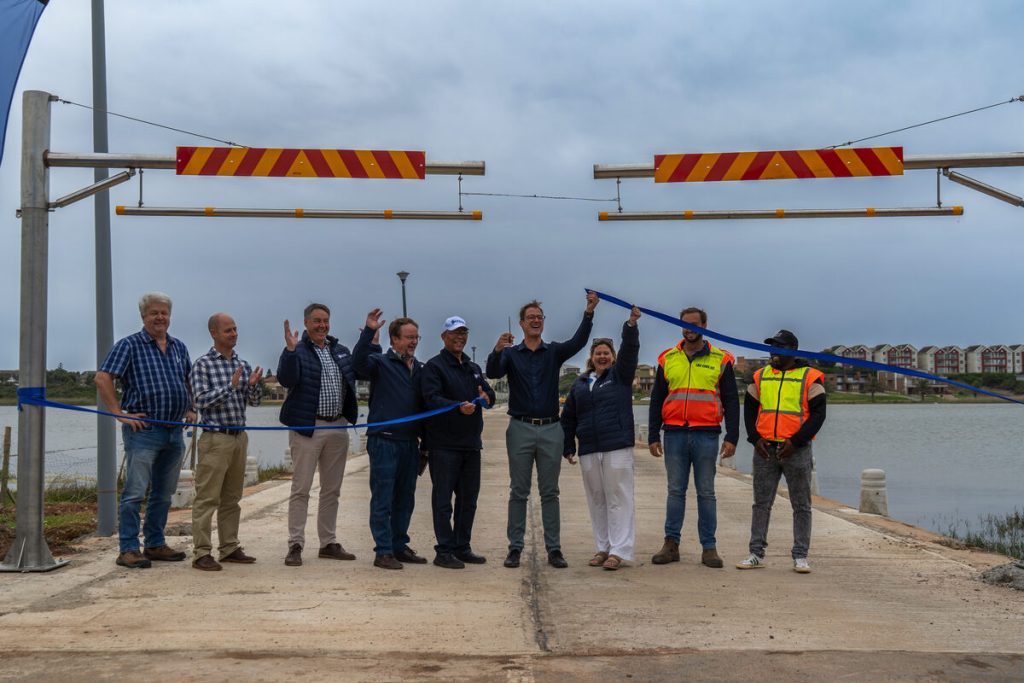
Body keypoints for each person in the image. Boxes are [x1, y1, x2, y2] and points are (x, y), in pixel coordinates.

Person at [487, 291, 598, 569]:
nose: (535, 321)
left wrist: (589, 313)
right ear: (522, 323)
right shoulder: (512, 354)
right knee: (518, 491)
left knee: (550, 492)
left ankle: (554, 549)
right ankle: (514, 548)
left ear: (543, 322)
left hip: (551, 428)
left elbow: (579, 341)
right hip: (520, 428)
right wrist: (498, 349)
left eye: (539, 317)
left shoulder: (554, 352)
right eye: (530, 318)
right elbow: (493, 372)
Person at [95, 292, 194, 569]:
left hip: (174, 431)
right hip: (145, 430)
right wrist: (118, 413)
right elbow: (102, 378)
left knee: (163, 493)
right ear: (143, 316)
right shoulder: (129, 345)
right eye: (154, 313)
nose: (160, 317)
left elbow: (187, 380)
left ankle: (154, 543)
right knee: (135, 492)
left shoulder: (178, 347)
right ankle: (128, 548)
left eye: (164, 313)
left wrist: (190, 407)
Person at [277, 303, 378, 567]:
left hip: (338, 426)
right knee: (301, 489)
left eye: (326, 321)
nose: (322, 325)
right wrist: (289, 350)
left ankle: (328, 542)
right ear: (307, 323)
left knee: (332, 490)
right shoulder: (296, 350)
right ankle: (296, 544)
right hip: (308, 428)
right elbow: (286, 379)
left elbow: (361, 366)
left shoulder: (340, 351)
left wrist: (368, 335)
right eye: (316, 321)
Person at [648, 306, 739, 569]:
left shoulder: (721, 360)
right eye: (685, 325)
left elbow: (731, 401)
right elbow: (657, 400)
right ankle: (671, 544)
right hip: (674, 434)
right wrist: (653, 434)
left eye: (694, 325)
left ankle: (709, 548)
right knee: (675, 491)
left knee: (706, 493)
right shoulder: (668, 359)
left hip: (706, 435)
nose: (689, 329)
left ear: (704, 326)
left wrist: (732, 436)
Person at [737, 329, 826, 574]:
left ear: (793, 350)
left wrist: (796, 441)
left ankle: (800, 555)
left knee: (801, 505)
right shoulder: (760, 376)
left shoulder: (810, 377)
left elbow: (819, 415)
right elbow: (750, 410)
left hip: (796, 450)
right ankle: (756, 553)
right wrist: (754, 439)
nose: (773, 352)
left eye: (779, 347)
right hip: (765, 449)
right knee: (761, 504)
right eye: (772, 346)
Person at [561, 305, 641, 570]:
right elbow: (569, 416)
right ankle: (602, 547)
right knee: (597, 498)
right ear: (592, 357)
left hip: (616, 445)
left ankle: (619, 550)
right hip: (589, 448)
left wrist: (630, 326)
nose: (602, 357)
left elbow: (630, 353)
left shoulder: (620, 376)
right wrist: (568, 445)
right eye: (598, 353)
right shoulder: (580, 384)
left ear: (613, 357)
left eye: (606, 353)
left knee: (618, 497)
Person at [353, 309, 429, 570]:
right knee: (383, 498)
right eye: (408, 337)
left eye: (416, 337)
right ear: (394, 339)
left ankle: (399, 545)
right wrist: (368, 332)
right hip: (384, 440)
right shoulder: (380, 363)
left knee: (405, 498)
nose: (413, 342)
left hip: (410, 442)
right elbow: (358, 364)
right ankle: (383, 551)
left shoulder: (420, 369)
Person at [190, 313, 263, 571]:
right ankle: (201, 552)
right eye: (228, 330)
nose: (233, 334)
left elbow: (253, 402)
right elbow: (200, 400)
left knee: (232, 498)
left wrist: (253, 386)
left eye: (235, 329)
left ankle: (229, 547)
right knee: (207, 498)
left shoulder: (241, 363)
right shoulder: (203, 365)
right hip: (215, 438)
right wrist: (230, 388)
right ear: (213, 333)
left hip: (238, 438)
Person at [420, 316, 495, 569]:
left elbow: (489, 394)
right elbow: (430, 399)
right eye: (454, 333)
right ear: (444, 336)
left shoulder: (472, 368)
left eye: (463, 333)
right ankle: (444, 550)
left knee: (468, 500)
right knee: (443, 501)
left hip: (471, 444)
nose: (459, 338)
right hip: (444, 445)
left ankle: (462, 546)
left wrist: (486, 396)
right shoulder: (434, 367)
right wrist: (456, 407)